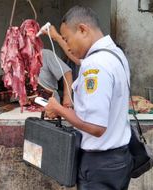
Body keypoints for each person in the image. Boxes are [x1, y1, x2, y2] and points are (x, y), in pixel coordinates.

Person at [45, 6, 133, 190]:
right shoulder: (113, 54)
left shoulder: (96, 65)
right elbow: (79, 60)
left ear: (83, 30)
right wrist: (57, 38)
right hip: (118, 160)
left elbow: (96, 127)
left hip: (99, 165)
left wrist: (59, 109)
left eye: (68, 39)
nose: (67, 46)